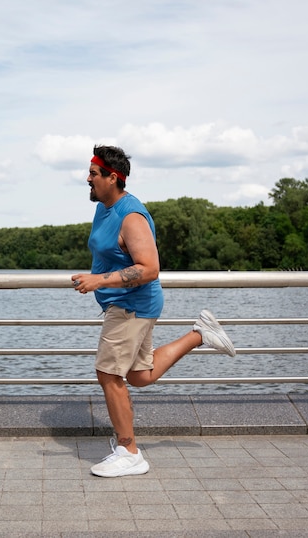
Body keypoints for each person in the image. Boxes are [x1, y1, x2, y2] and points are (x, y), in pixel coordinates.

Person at [72, 144, 235, 478]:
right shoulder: (105, 207)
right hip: (129, 303)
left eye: (92, 173)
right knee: (138, 375)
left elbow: (148, 268)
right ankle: (200, 334)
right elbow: (113, 254)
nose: (86, 179)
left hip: (131, 304)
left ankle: (129, 451)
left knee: (108, 374)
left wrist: (99, 281)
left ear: (112, 177)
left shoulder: (130, 215)